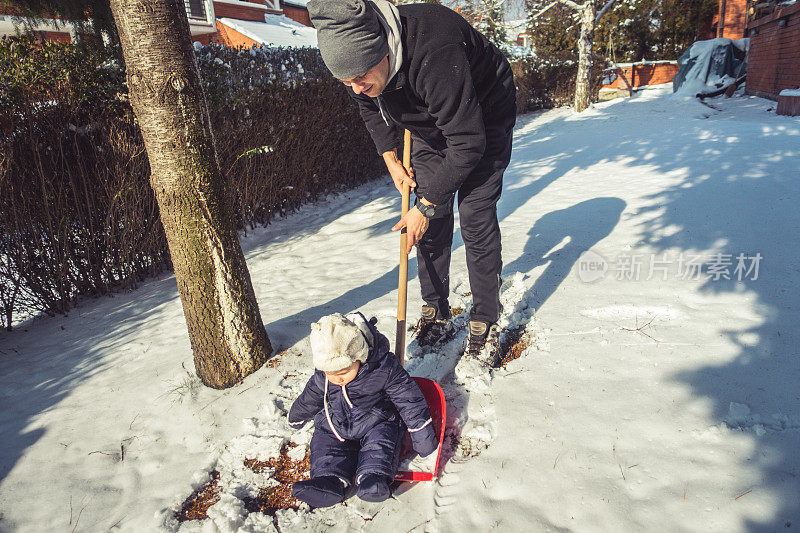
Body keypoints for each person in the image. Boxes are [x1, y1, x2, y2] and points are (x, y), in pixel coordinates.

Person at [307, 0, 517, 365]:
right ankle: (436, 308)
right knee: (430, 227)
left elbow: (468, 142)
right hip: (430, 123)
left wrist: (426, 204)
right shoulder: (358, 63)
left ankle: (485, 316)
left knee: (475, 218)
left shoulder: (435, 51)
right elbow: (368, 106)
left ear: (383, 49)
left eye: (359, 79)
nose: (355, 89)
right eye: (346, 83)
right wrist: (389, 157)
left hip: (481, 119)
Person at [289, 312, 438, 507]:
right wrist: (296, 416)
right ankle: (328, 480)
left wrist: (422, 436)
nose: (337, 379)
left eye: (343, 372)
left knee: (381, 443)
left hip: (375, 422)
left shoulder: (383, 369)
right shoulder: (324, 375)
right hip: (336, 424)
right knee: (325, 442)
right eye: (330, 373)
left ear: (358, 356)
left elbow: (408, 400)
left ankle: (373, 478)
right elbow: (309, 398)